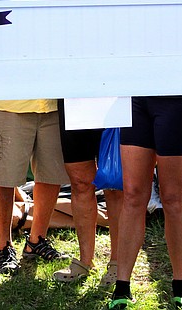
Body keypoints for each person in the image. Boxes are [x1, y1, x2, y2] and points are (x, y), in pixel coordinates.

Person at [108, 96, 182, 310]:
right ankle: (122, 285)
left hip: (176, 100)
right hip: (136, 98)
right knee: (133, 194)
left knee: (173, 197)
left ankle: (180, 283)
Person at [0, 99, 70, 274]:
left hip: (54, 103)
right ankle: (3, 247)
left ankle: (37, 241)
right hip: (8, 104)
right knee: (2, 178)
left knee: (51, 174)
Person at [55, 109, 122, 284]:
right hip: (74, 101)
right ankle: (85, 262)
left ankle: (118, 263)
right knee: (79, 183)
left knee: (115, 184)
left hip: (113, 101)